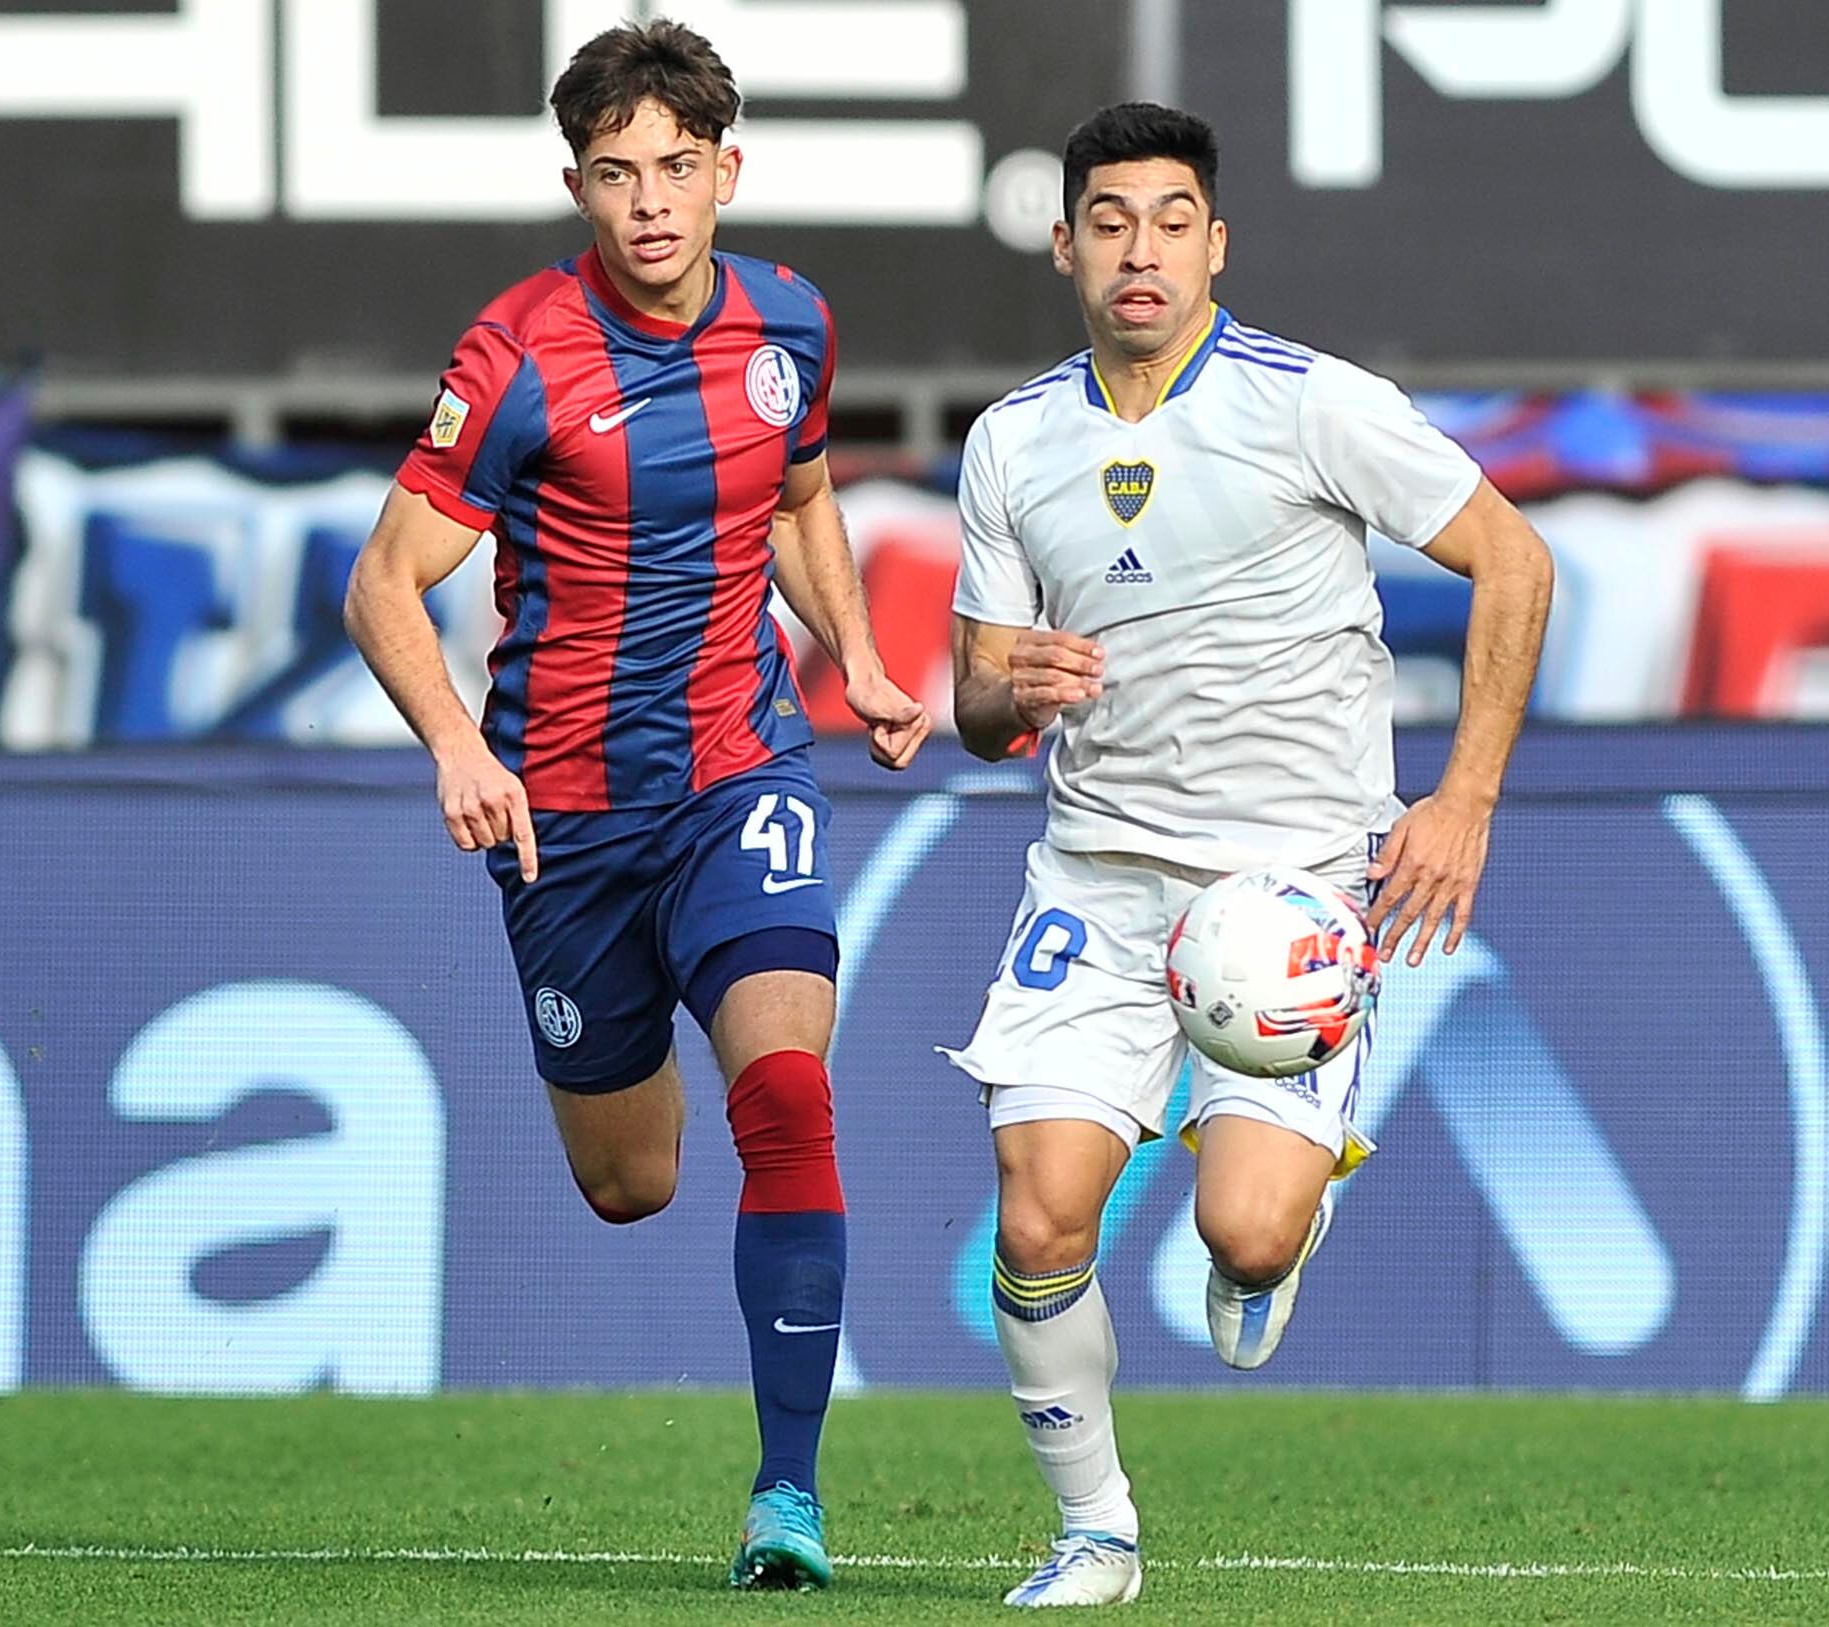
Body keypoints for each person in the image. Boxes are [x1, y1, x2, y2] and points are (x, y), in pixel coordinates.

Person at [939, 103, 1554, 1607]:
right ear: (1066, 240)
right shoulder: (1014, 440)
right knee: (1037, 1209)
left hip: (1285, 897)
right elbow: (970, 702)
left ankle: (1258, 1251)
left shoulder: (1311, 402)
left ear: (1213, 244)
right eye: (1108, 220)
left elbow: (1513, 561)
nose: (1137, 249)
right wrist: (1003, 686)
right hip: (1095, 873)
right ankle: (1095, 1528)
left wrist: (1461, 799)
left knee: (1249, 1222)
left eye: (1168, 221)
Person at [343, 19, 928, 1592]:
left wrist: (855, 656)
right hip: (567, 821)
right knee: (632, 1183)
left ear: (727, 170)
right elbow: (385, 580)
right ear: (578, 185)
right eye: (617, 174)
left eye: (678, 168)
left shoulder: (789, 321)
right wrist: (459, 746)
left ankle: (786, 1497)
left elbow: (799, 493)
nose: (652, 202)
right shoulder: (519, 352)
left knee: (788, 1096)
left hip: (742, 769)